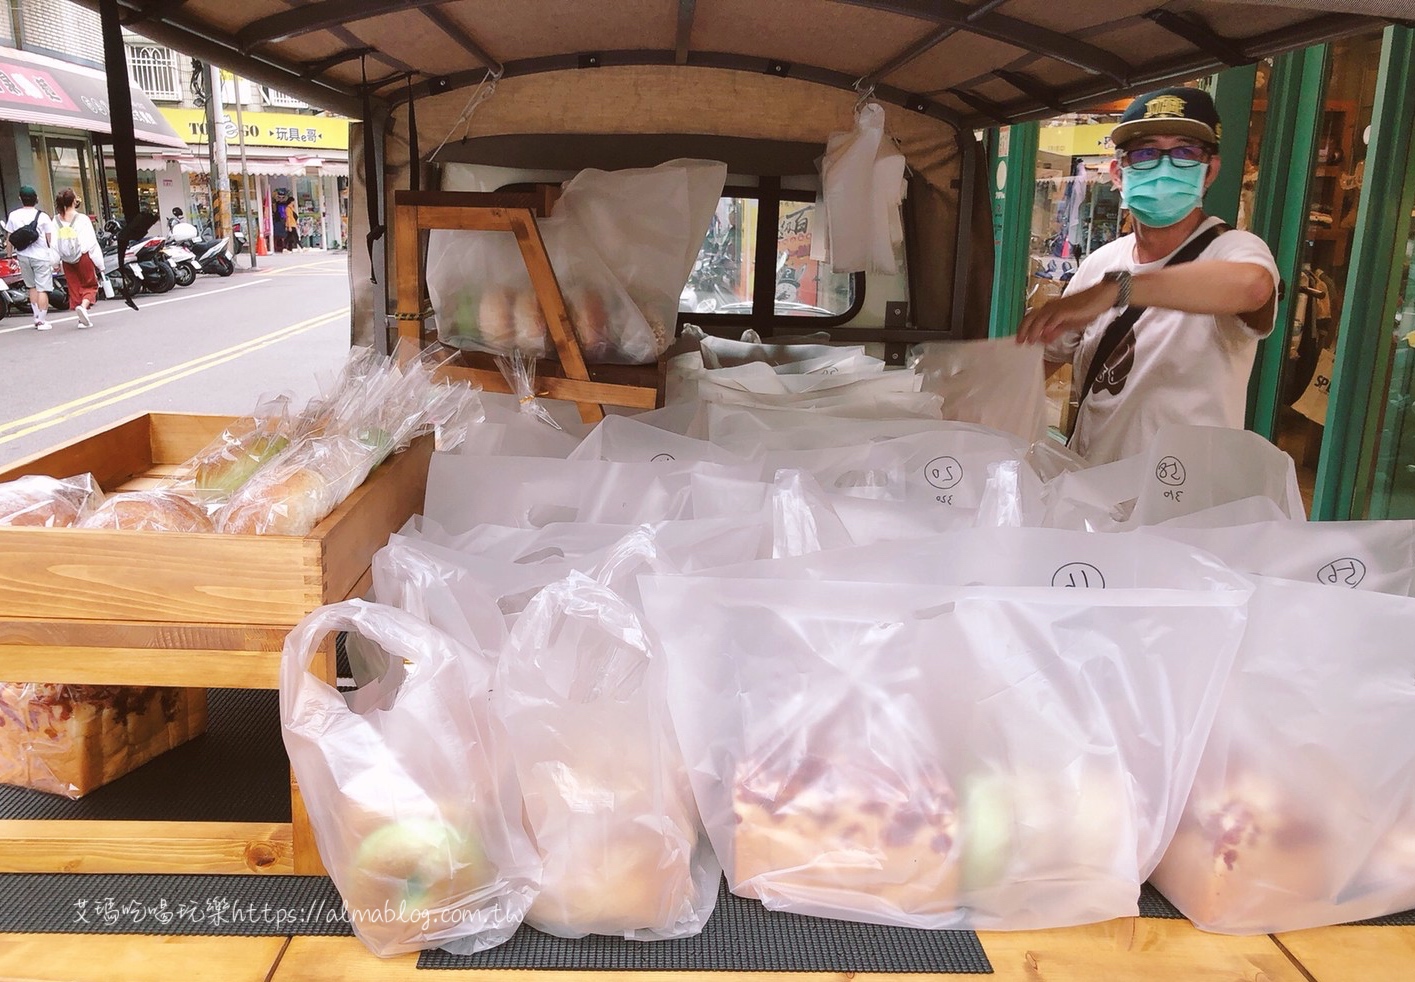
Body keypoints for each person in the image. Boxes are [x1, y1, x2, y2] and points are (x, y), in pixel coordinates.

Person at [1016, 88, 1280, 465]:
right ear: (1118, 173)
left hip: (1177, 507)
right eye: (1145, 153)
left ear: (1211, 171)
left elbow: (1253, 288)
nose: (1165, 167)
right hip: (1088, 494)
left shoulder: (1234, 249)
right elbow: (1038, 365)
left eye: (1186, 152)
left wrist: (1119, 289)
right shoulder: (1100, 262)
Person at [4, 184, 59, 331]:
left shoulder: (14, 215)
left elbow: (10, 238)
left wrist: (9, 257)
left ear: (20, 199)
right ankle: (41, 321)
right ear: (37, 199)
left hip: (22, 255)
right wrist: (54, 256)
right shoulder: (43, 216)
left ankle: (36, 318)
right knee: (43, 288)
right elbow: (50, 240)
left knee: (31, 287)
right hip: (41, 256)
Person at [54, 188, 104, 328]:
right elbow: (91, 243)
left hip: (66, 259)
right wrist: (100, 264)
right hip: (83, 256)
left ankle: (81, 318)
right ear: (73, 201)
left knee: (74, 287)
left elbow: (53, 244)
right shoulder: (82, 219)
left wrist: (55, 262)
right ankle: (83, 306)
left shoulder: (55, 220)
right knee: (90, 285)